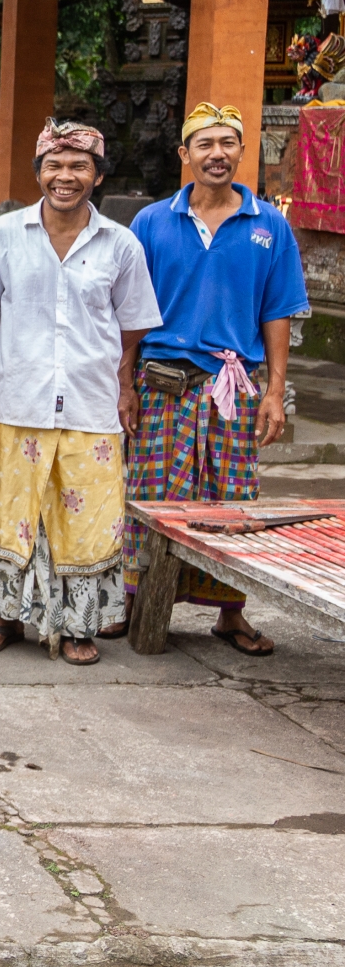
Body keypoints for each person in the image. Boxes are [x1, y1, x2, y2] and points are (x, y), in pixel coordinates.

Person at [0, 121, 162, 665]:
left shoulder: (121, 244)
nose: (65, 177)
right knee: (15, 516)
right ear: (39, 172)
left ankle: (77, 626)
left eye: (78, 167)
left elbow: (134, 323)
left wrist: (123, 382)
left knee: (87, 520)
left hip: (91, 406)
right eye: (54, 166)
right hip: (20, 402)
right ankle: (8, 615)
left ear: (97, 175)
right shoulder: (3, 235)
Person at [119, 103, 307, 655]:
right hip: (161, 382)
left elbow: (278, 311)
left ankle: (231, 614)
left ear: (242, 152)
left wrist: (275, 391)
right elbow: (128, 312)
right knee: (150, 496)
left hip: (232, 386)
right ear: (185, 154)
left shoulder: (268, 225)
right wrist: (124, 384)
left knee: (232, 501)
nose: (217, 153)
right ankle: (134, 601)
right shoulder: (152, 222)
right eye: (205, 143)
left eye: (228, 143)